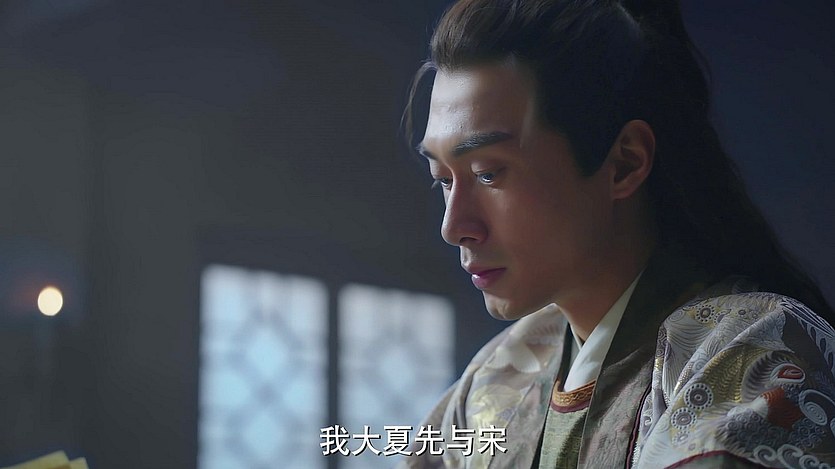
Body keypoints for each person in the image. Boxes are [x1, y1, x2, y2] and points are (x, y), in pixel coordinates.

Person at [399, 0, 835, 467]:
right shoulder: (495, 381)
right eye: (444, 179)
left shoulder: (756, 355)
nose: (453, 227)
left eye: (488, 173)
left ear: (624, 162)